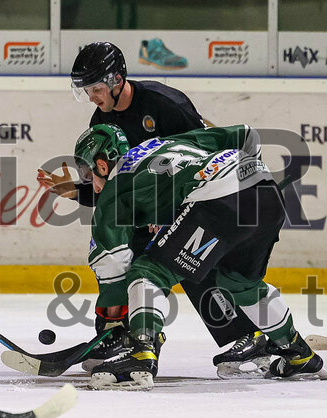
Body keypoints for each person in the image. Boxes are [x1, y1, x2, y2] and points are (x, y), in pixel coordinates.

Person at [37, 42, 273, 378]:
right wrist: (79, 191)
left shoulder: (166, 104)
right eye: (86, 91)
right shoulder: (102, 117)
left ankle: (248, 337)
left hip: (198, 198)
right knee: (117, 254)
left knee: (190, 261)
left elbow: (203, 155)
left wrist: (171, 214)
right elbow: (118, 187)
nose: (92, 97)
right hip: (151, 207)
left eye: (96, 88)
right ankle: (117, 336)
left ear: (117, 79)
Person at [74, 123, 327, 390]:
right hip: (266, 192)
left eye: (86, 171)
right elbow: (246, 135)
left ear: (102, 165)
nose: (89, 182)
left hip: (219, 198)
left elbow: (111, 264)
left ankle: (142, 352)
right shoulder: (166, 143)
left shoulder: (115, 189)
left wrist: (111, 322)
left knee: (149, 271)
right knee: (239, 282)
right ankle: (297, 351)